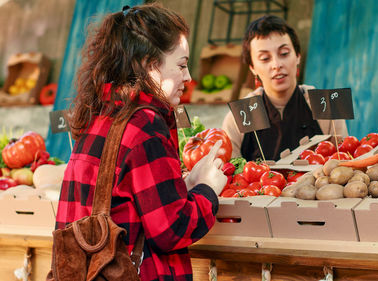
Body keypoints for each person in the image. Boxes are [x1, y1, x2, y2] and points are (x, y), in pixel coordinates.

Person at [55, 4, 226, 281]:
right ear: (149, 65)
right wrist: (208, 190)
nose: (188, 77)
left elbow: (126, 203)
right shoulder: (145, 124)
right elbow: (172, 230)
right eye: (181, 65)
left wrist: (185, 186)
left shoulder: (99, 115)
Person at [222, 15, 348, 161]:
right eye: (264, 58)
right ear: (252, 68)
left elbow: (345, 160)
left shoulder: (326, 104)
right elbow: (229, 172)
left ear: (298, 56)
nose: (276, 64)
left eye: (284, 54)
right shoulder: (240, 116)